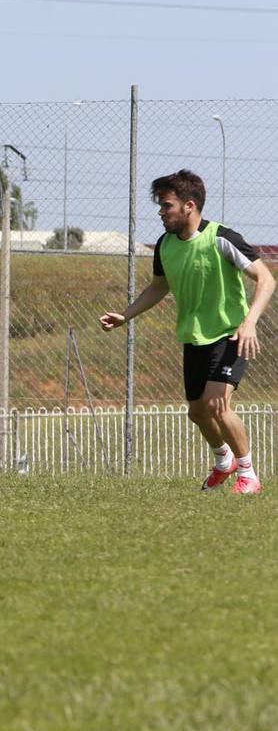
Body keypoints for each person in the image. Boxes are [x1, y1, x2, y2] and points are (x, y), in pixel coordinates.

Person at [100, 169, 274, 494]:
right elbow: (158, 288)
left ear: (189, 206)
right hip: (195, 337)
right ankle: (224, 462)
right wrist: (125, 316)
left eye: (166, 205)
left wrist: (249, 322)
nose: (161, 212)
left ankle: (249, 475)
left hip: (230, 335)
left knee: (215, 404)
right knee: (196, 412)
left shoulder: (222, 238)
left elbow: (266, 279)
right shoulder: (165, 245)